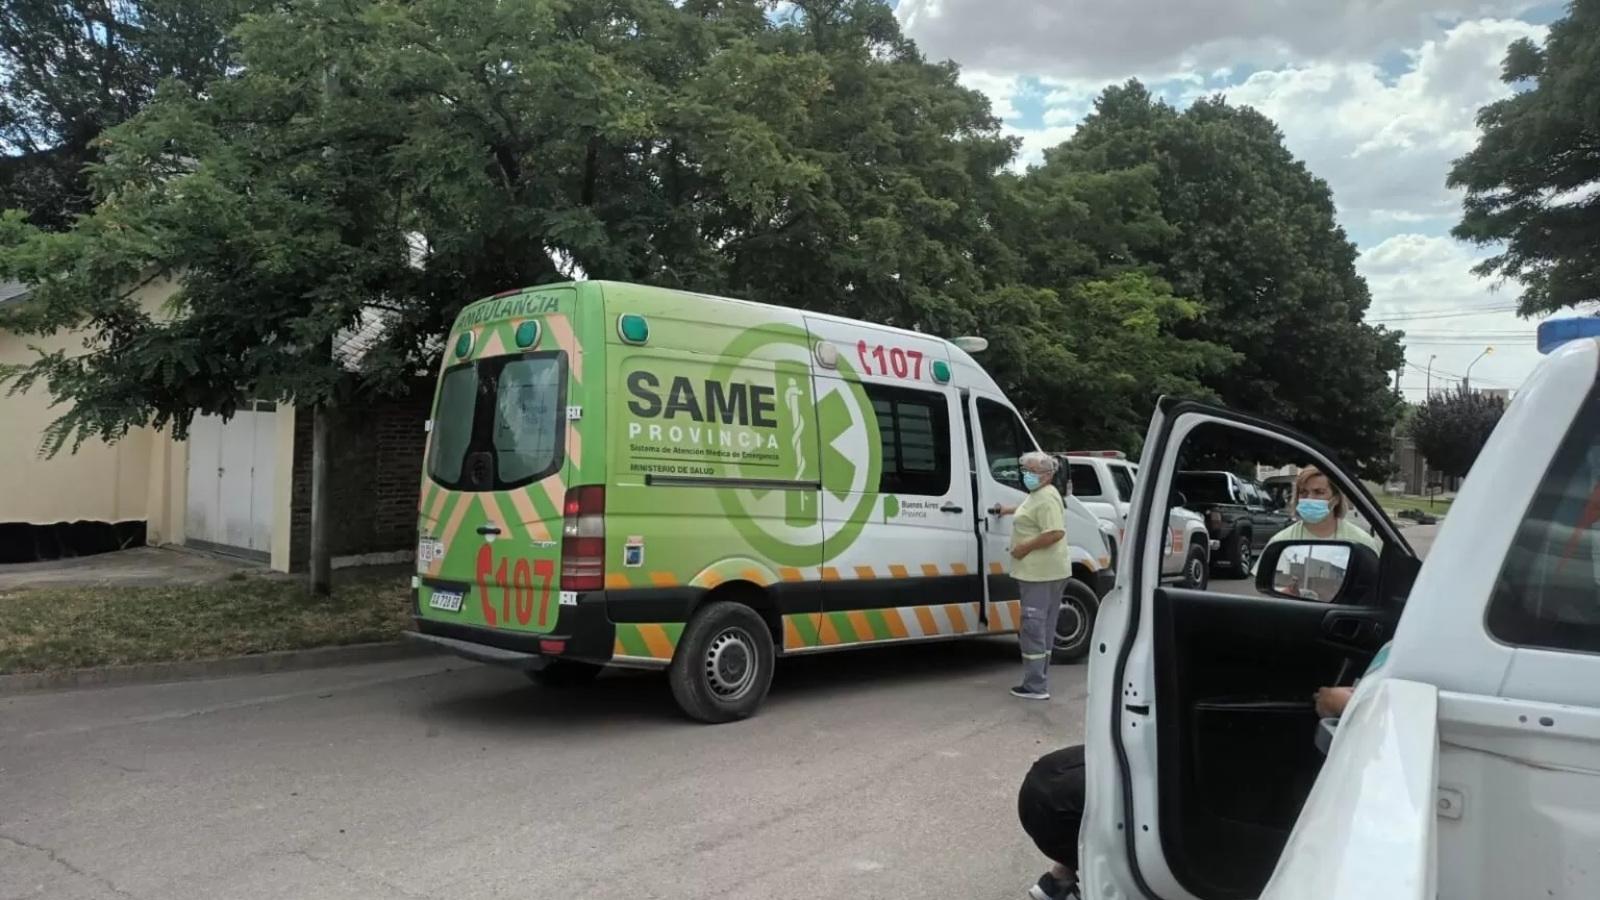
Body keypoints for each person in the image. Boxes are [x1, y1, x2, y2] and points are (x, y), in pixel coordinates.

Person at [996, 451, 1072, 701]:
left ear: (1047, 475)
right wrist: (1006, 510)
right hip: (1048, 572)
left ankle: (1035, 686)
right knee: (1044, 627)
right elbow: (1029, 510)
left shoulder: (1046, 499)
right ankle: (1039, 678)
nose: (1025, 475)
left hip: (1040, 574)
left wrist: (1023, 548)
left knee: (1033, 628)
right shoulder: (1042, 494)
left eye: (1030, 471)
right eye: (1024, 470)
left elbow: (1055, 532)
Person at [1266, 465, 1381, 553]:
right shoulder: (1279, 542)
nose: (1310, 498)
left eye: (1319, 492)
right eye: (1303, 492)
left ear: (1336, 499)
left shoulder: (1362, 542)